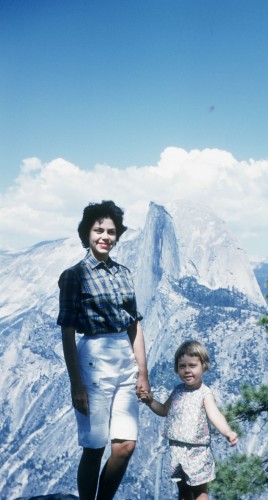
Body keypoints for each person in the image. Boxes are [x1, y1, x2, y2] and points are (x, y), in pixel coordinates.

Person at [57, 200, 150, 500]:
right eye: (99, 230)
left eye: (111, 231)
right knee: (95, 447)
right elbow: (67, 330)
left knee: (125, 446)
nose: (105, 236)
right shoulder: (74, 276)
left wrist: (143, 373)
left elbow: (134, 324)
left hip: (125, 361)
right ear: (86, 233)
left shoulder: (123, 273)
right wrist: (76, 384)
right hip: (93, 363)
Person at [141, 340, 238, 500]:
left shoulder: (204, 393)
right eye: (182, 366)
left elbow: (215, 415)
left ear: (203, 366)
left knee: (199, 490)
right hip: (177, 448)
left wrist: (228, 432)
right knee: (183, 489)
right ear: (177, 368)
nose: (187, 370)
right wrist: (150, 401)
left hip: (197, 450)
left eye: (192, 365)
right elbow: (165, 410)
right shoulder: (178, 390)